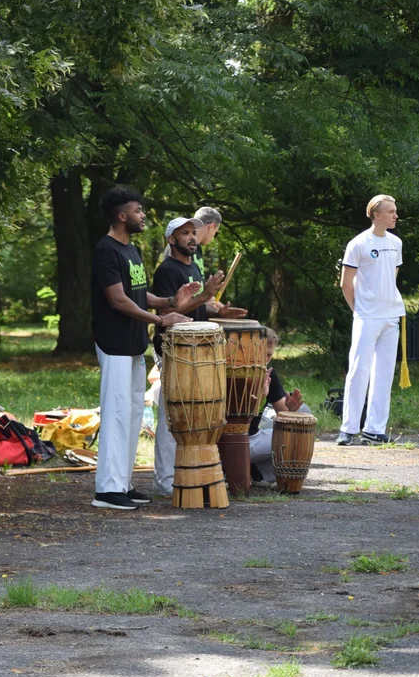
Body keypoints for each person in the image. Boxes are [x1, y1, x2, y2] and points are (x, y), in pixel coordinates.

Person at [90, 186, 199, 510]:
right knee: (117, 414)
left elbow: (138, 294)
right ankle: (106, 491)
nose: (143, 216)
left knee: (134, 414)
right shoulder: (106, 250)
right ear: (122, 215)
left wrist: (169, 301)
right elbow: (117, 299)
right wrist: (160, 320)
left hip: (133, 344)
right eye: (138, 211)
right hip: (114, 343)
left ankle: (122, 483)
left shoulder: (131, 251)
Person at [150, 217, 246, 496]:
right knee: (172, 415)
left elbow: (194, 308)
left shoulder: (193, 266)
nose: (192, 238)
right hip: (173, 349)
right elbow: (168, 314)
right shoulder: (167, 270)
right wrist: (205, 296)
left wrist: (218, 311)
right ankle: (164, 480)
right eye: (185, 234)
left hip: (198, 350)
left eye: (194, 233)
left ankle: (192, 474)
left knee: (197, 416)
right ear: (172, 240)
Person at [336, 194, 405, 446]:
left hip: (391, 315)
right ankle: (348, 428)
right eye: (391, 211)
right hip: (367, 316)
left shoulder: (396, 243)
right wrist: (358, 310)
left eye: (395, 211)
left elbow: (391, 276)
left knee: (384, 373)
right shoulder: (358, 243)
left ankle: (374, 429)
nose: (395, 215)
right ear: (377, 215)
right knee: (359, 370)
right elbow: (346, 283)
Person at [248, 328, 311, 485]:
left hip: (254, 439)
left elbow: (282, 413)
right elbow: (236, 426)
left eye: (269, 355)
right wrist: (260, 397)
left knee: (303, 414)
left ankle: (260, 473)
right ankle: (246, 471)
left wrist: (291, 409)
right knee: (294, 436)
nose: (265, 359)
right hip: (233, 443)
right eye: (261, 353)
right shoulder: (232, 372)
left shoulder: (269, 373)